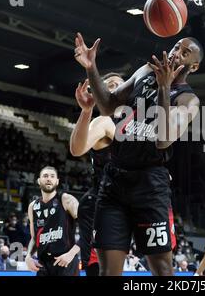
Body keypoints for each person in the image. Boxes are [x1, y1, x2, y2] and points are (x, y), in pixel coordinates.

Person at [74, 33, 203, 276]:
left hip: (150, 186)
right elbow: (108, 105)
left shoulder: (188, 100)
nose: (177, 53)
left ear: (193, 66)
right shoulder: (145, 72)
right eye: (177, 47)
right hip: (114, 183)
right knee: (107, 272)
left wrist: (165, 87)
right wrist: (91, 67)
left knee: (162, 270)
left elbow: (164, 140)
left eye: (185, 53)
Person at [70, 73, 124, 276]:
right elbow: (76, 149)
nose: (117, 87)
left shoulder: (134, 122)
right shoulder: (104, 121)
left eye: (121, 85)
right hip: (100, 202)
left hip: (125, 201)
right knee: (101, 268)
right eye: (111, 85)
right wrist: (86, 111)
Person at [25, 166, 80, 276]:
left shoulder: (66, 199)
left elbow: (89, 229)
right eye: (45, 176)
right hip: (43, 264)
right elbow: (34, 238)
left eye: (52, 176)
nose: (49, 179)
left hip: (65, 261)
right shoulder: (32, 206)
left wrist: (71, 254)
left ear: (57, 181)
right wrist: (28, 256)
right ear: (39, 181)